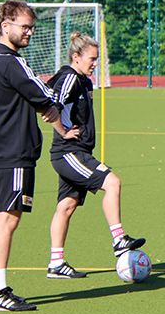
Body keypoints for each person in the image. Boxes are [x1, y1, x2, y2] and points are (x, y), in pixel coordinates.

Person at [0, 0, 78, 311]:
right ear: (5, 27)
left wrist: (58, 127)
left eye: (32, 27)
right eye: (24, 27)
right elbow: (46, 96)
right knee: (8, 219)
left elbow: (36, 103)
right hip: (15, 151)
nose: (30, 32)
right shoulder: (11, 62)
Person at [45, 32, 146, 279]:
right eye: (91, 59)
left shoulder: (85, 81)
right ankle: (119, 238)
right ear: (76, 57)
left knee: (66, 206)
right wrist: (64, 131)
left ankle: (56, 263)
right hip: (68, 152)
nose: (95, 64)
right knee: (113, 182)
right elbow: (49, 107)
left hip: (79, 151)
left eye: (97, 59)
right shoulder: (69, 78)